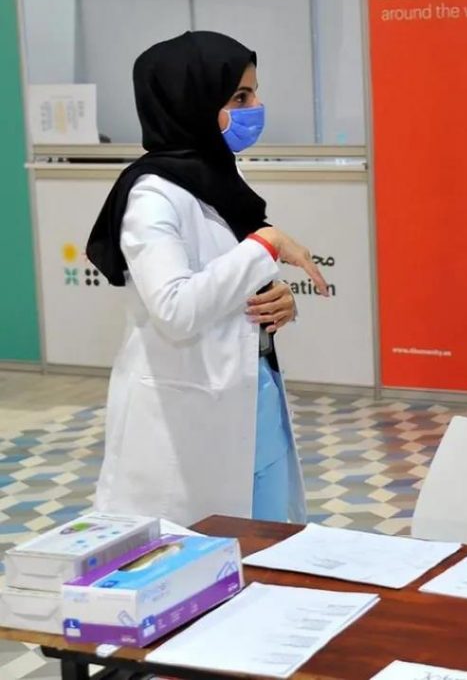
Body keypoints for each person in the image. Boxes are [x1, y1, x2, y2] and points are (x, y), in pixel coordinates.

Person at [86, 31, 329, 527]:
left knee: (268, 543)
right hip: (189, 419)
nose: (256, 108)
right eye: (240, 97)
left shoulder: (217, 181)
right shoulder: (152, 196)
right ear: (190, 102)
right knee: (210, 552)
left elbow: (229, 278)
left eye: (255, 93)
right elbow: (176, 310)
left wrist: (276, 298)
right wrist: (266, 246)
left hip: (252, 397)